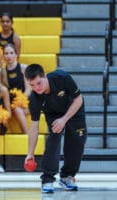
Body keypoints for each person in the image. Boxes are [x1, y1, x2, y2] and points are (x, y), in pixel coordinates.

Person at [24, 64, 87, 193]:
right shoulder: (35, 99)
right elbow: (34, 127)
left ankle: (67, 176)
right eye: (32, 85)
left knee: (77, 141)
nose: (37, 88)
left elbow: (78, 99)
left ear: (44, 76)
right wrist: (30, 153)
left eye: (39, 83)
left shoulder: (62, 77)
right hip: (53, 114)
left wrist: (64, 119)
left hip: (74, 109)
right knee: (54, 136)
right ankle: (47, 179)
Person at [0, 44, 30, 135]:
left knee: (17, 109)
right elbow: (2, 92)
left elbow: (28, 89)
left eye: (11, 53)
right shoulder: (0, 72)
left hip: (24, 102)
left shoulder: (23, 68)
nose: (9, 56)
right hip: (8, 102)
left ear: (16, 54)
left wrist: (19, 100)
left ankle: (27, 135)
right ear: (3, 56)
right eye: (6, 53)